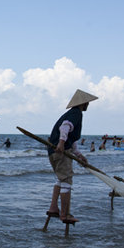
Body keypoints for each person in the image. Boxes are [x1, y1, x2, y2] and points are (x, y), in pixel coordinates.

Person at [46, 89, 98, 224]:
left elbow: (72, 139)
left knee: (60, 179)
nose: (88, 105)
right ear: (83, 103)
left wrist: (79, 155)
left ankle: (53, 208)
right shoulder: (76, 113)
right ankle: (65, 214)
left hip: (53, 152)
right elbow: (65, 128)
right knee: (67, 181)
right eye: (87, 102)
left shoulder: (70, 113)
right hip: (60, 151)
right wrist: (61, 144)